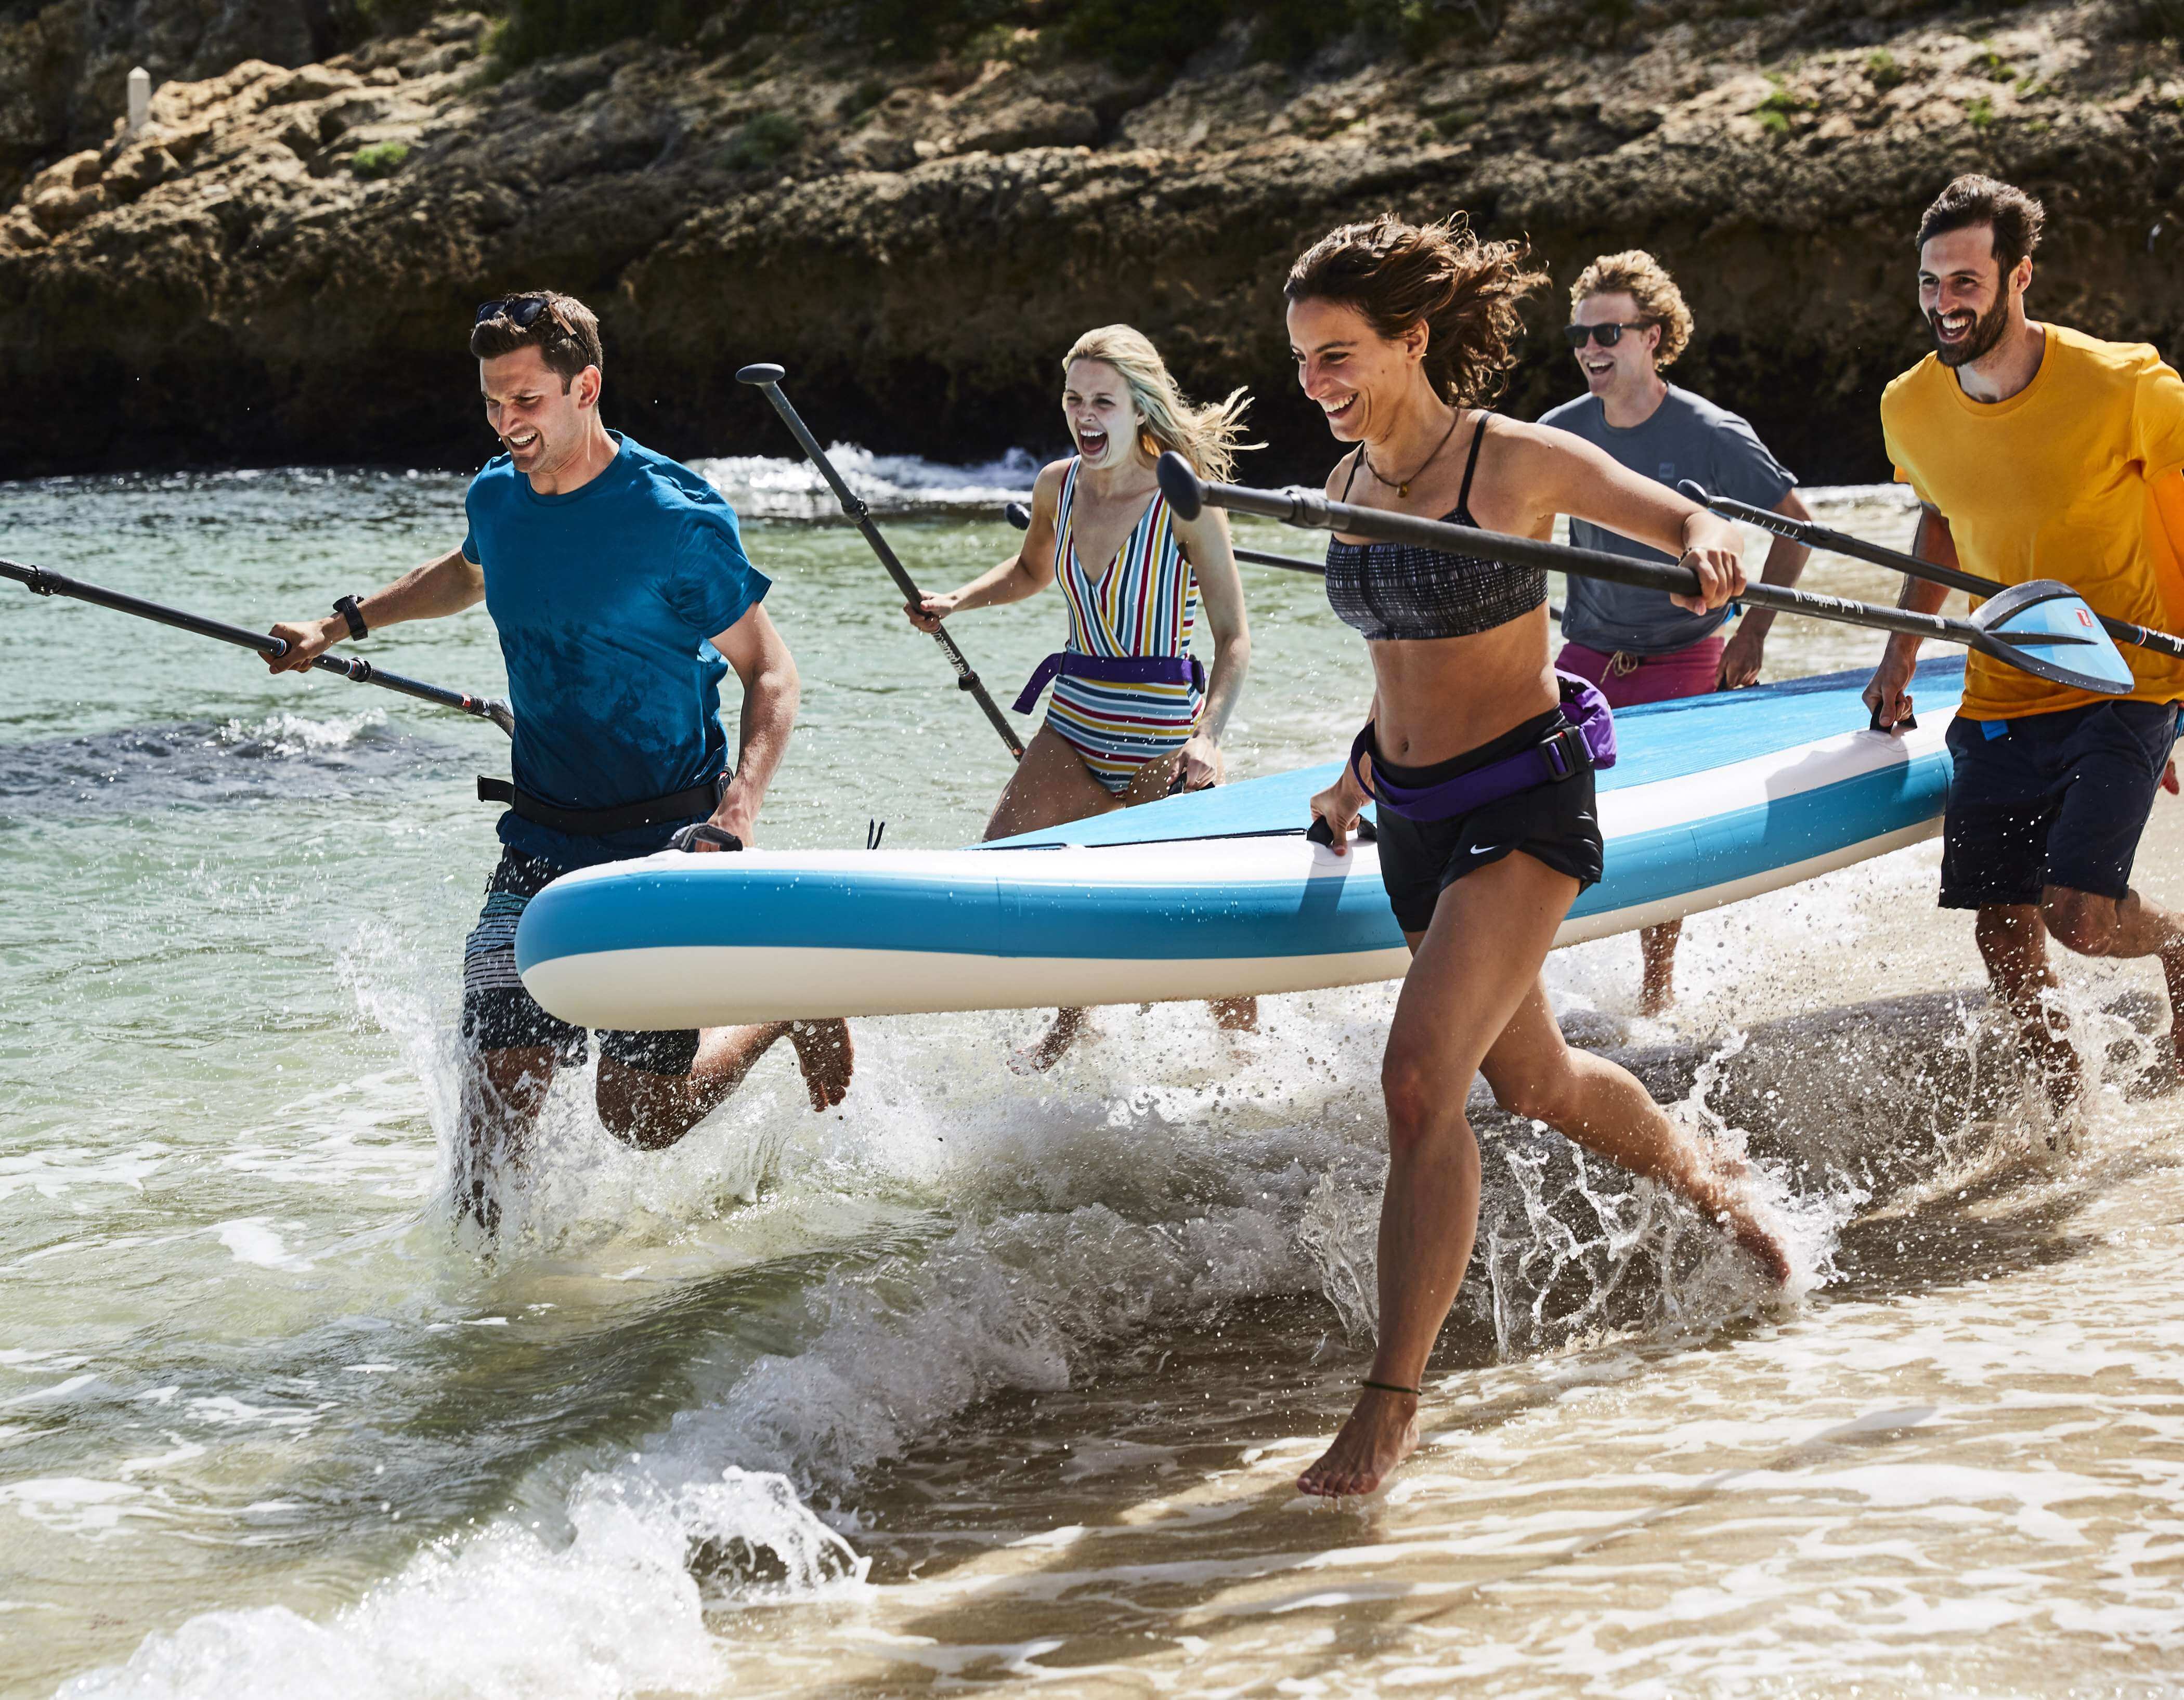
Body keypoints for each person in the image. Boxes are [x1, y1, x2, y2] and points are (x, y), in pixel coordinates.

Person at [1284, 213, 1791, 1498]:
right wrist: (1354, 775)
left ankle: (1391, 1405)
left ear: (1411, 340)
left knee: (1418, 1084)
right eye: (1302, 360)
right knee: (1538, 1083)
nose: (1316, 382)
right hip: (1411, 812)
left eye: (1338, 355)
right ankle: (1710, 1182)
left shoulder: (1510, 460)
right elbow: (1399, 662)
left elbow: (1675, 512)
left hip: (1523, 799)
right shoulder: (1346, 486)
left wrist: (1706, 549)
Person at [266, 291, 852, 1225]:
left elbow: (771, 670)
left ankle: (780, 1007)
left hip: (665, 839)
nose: (507, 423)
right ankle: (499, 1314)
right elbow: (468, 571)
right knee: (488, 1151)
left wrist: (739, 809)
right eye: (493, 403)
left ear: (586, 388)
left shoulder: (675, 517)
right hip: (539, 838)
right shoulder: (497, 493)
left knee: (639, 1114)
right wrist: (337, 627)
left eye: (526, 401)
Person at [1863, 175, 2184, 1102]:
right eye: (1930, 283)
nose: (1945, 303)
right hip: (2004, 685)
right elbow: (1939, 519)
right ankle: (2071, 1117)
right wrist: (1901, 651)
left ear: (2020, 276)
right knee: (2003, 932)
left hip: (2125, 678)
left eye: (1966, 281)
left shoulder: (2125, 385)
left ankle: (2177, 942)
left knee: (2079, 915)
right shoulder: (1909, 406)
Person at [908, 325, 1257, 1071]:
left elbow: (1234, 638)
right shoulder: (1056, 486)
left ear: (1140, 406)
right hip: (1073, 723)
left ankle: (1249, 1056)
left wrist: (1209, 736)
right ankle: (1073, 1021)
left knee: (1207, 923)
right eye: (1074, 400)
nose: (1085, 415)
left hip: (1167, 742)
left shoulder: (1185, 496)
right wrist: (958, 600)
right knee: (1000, 868)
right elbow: (1031, 571)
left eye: (1103, 401)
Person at [1540, 250, 1814, 1014]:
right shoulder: (1558, 434)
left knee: (1658, 821)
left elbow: (1797, 525)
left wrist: (1753, 633)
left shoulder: (1710, 433)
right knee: (1543, 803)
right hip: (1587, 655)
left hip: (1685, 656)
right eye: (1579, 336)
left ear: (1653, 336)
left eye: (1607, 333)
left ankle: (1655, 991)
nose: (1590, 349)